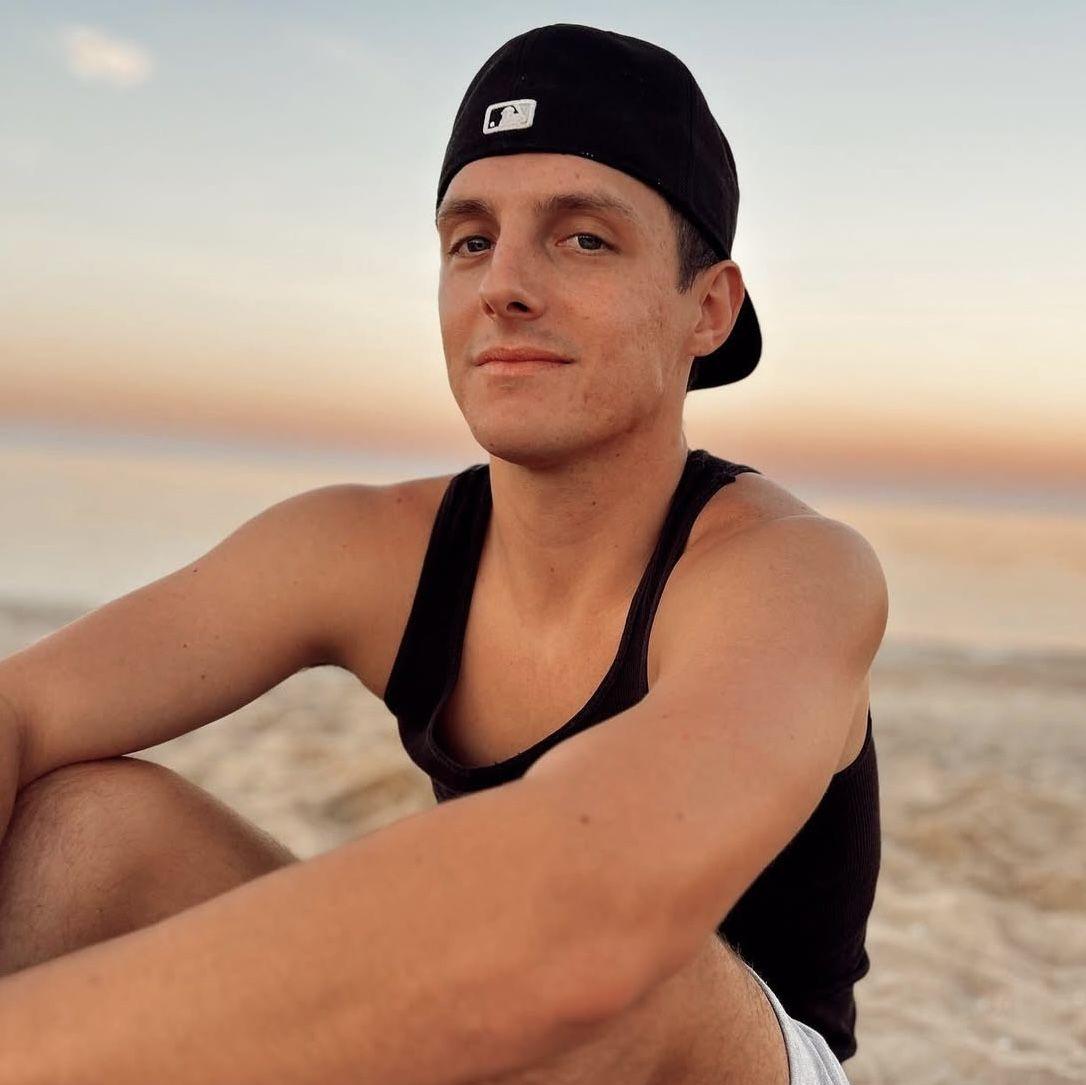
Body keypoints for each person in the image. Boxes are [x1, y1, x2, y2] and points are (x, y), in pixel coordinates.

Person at [0, 23, 884, 1085]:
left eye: (582, 239)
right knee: (84, 831)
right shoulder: (367, 547)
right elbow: (25, 706)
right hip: (491, 1022)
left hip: (715, 1051)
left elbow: (584, 909)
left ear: (708, 308)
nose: (502, 284)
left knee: (618, 965)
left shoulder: (793, 573)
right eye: (470, 240)